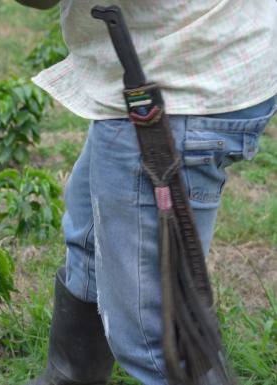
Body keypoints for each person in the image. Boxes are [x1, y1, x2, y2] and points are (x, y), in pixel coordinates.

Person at [14, 1, 277, 384]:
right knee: (90, 241)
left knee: (157, 337)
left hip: (174, 91)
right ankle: (69, 376)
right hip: (192, 57)